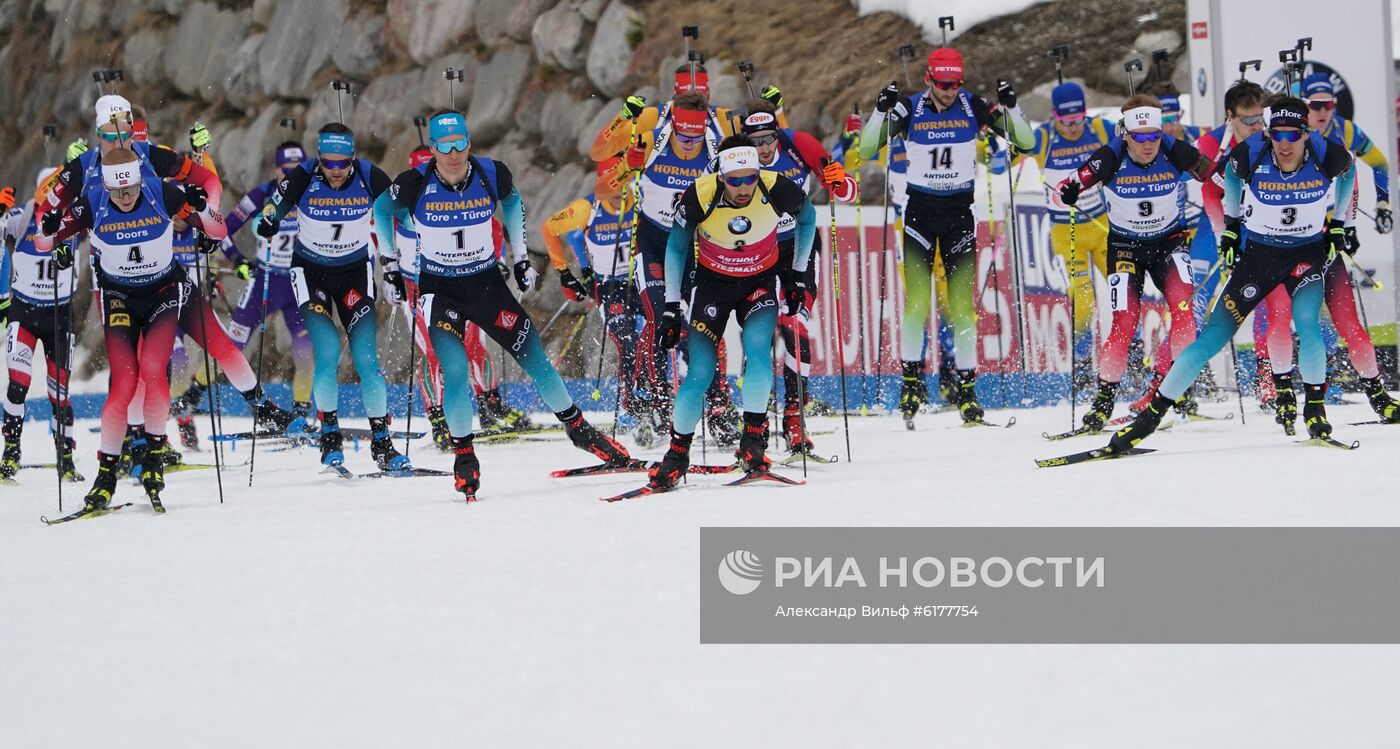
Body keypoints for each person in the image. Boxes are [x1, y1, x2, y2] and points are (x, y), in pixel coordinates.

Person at [373, 109, 630, 499]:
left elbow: (512, 204)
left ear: (469, 143)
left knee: (536, 361)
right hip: (439, 291)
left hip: (487, 286)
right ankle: (464, 457)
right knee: (455, 370)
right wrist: (390, 264)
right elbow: (380, 210)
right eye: (444, 146)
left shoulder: (492, 173)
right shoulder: (415, 182)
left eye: (460, 143)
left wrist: (520, 256)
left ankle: (579, 430)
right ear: (435, 149)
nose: (454, 153)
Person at [1108, 98, 1356, 451]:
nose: (1284, 145)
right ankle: (1149, 419)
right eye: (1277, 135)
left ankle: (1314, 409)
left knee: (1307, 323)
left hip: (1305, 255)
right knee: (1211, 337)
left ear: (1306, 132)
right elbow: (1227, 179)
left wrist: (1340, 223)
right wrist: (1231, 225)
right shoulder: (1250, 151)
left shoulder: (1324, 151)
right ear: (1268, 133)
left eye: (1293, 135)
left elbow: (1349, 173)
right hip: (1259, 257)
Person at [37, 148, 226, 511]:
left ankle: (154, 457)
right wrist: (50, 233)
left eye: (131, 190)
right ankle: (106, 475)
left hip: (163, 292)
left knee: (154, 370)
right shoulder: (94, 202)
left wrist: (202, 208)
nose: (125, 198)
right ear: (106, 185)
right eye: (117, 192)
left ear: (140, 180)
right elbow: (47, 241)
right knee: (124, 381)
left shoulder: (161, 192)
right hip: (119, 296)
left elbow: (217, 229)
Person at [858, 47, 1034, 424]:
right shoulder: (910, 109)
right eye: (942, 84)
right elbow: (868, 147)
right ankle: (910, 383)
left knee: (961, 306)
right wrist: (879, 110)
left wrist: (1012, 107)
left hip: (959, 215)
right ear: (929, 80)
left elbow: (1026, 142)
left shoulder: (972, 105)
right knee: (917, 302)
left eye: (955, 84)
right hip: (920, 215)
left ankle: (967, 392)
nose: (949, 91)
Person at [646, 135, 817, 490]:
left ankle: (753, 444)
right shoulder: (700, 194)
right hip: (711, 286)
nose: (744, 187)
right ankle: (677, 456)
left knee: (758, 354)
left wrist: (798, 275)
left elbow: (808, 219)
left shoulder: (774, 187)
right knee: (701, 373)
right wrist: (671, 308)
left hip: (757, 284)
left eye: (750, 177)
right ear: (721, 175)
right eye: (735, 180)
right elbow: (677, 249)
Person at [256, 122, 408, 469]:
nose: (336, 171)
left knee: (367, 361)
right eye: (329, 163)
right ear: (319, 158)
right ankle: (329, 437)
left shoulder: (370, 176)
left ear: (353, 158)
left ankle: (383, 444)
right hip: (311, 274)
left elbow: (401, 210)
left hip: (355, 273)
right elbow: (274, 208)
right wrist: (268, 222)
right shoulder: (303, 176)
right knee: (327, 353)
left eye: (344, 163)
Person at [1057, 95, 1214, 430]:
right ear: (1125, 133)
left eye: (1154, 135)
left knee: (1184, 312)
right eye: (1140, 137)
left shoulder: (1174, 150)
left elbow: (1214, 175)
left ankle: (1173, 390)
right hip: (1126, 248)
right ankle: (1102, 403)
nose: (1148, 144)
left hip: (1169, 245)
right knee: (1124, 324)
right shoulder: (1112, 155)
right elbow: (1070, 182)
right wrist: (1069, 191)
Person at [1250, 73, 1398, 423]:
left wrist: (1377, 208)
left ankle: (1377, 393)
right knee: (1283, 319)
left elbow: (1375, 165)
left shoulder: (1343, 133)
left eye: (1327, 105)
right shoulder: (1273, 144)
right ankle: (1284, 391)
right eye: (1314, 106)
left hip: (1325, 241)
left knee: (1348, 322)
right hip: (1284, 249)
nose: (1322, 112)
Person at [737, 102, 856, 452]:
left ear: (778, 133)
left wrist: (840, 181)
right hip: (757, 253)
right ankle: (754, 422)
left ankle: (793, 418)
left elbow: (848, 192)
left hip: (799, 248)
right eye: (755, 141)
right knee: (757, 335)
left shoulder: (800, 144)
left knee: (797, 326)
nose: (763, 148)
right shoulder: (735, 158)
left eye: (769, 139)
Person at [594, 91, 715, 437]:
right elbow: (602, 182)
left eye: (695, 137)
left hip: (692, 244)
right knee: (659, 317)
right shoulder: (652, 140)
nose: (690, 145)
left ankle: (716, 401)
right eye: (683, 136)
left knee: (703, 324)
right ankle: (656, 398)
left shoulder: (713, 146)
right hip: (651, 241)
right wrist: (627, 158)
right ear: (674, 127)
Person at [1020, 81, 1116, 391]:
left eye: (1078, 120)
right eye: (1067, 122)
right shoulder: (1044, 137)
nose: (1074, 128)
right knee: (1084, 302)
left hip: (1102, 228)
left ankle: (1133, 356)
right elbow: (1005, 156)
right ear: (1054, 117)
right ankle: (1083, 366)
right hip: (1067, 232)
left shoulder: (1100, 129)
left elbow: (1133, 139)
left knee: (1123, 294)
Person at [218, 142, 316, 427]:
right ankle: (194, 394)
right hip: (266, 280)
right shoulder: (261, 195)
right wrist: (237, 259)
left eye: (298, 171)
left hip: (298, 281)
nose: (292, 176)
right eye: (287, 171)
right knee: (234, 344)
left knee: (306, 348)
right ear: (276, 170)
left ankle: (299, 412)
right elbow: (223, 230)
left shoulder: (311, 194)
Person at [542, 158, 644, 433]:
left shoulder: (643, 194)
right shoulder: (588, 207)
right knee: (626, 339)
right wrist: (575, 273)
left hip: (643, 280)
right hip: (610, 286)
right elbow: (560, 233)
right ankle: (631, 404)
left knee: (656, 338)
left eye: (619, 179)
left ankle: (659, 397)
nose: (614, 188)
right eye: (607, 181)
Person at [1187, 79, 1268, 410]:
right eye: (1248, 121)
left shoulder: (1269, 140)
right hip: (1213, 226)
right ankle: (1180, 379)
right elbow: (1196, 189)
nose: (1256, 126)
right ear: (1230, 116)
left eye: (1260, 118)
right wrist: (1224, 236)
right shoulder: (1209, 144)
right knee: (1195, 300)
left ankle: (1268, 378)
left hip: (1254, 227)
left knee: (1262, 298)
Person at [1, 169, 82, 482]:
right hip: (24, 313)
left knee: (59, 393)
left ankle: (66, 457)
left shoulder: (73, 219)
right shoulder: (22, 218)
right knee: (18, 384)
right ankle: (11, 450)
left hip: (60, 317)